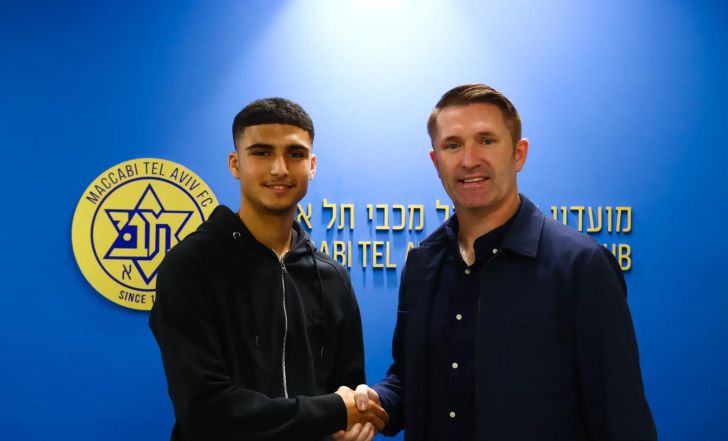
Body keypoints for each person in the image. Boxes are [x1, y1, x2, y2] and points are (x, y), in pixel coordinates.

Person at [354, 84, 657, 440]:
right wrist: (374, 404)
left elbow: (622, 418)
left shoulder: (581, 266)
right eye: (453, 145)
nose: (469, 160)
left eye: (486, 141)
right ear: (436, 162)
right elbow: (410, 379)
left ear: (518, 154)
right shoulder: (421, 264)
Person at [150, 98, 387, 441]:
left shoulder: (332, 276)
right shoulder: (191, 266)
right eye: (261, 152)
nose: (279, 169)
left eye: (295, 154)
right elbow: (205, 411)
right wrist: (332, 412)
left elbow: (346, 395)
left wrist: (355, 420)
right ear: (235, 164)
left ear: (312, 165)